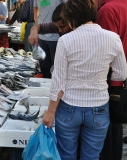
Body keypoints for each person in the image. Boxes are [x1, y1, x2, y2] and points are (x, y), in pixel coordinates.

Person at [42, 0, 127, 160]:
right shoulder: (113, 38)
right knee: (92, 156)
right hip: (99, 106)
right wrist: (101, 78)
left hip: (69, 106)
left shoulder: (65, 40)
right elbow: (121, 74)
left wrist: (50, 111)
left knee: (66, 155)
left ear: (71, 18)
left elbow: (58, 81)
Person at [95, 0, 127, 159]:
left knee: (104, 131)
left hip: (111, 80)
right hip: (121, 81)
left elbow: (104, 53)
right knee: (116, 127)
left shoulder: (107, 11)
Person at [34, 0, 64, 78]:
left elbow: (67, 7)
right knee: (44, 68)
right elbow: (35, 8)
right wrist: (35, 25)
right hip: (42, 37)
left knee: (56, 69)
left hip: (55, 37)